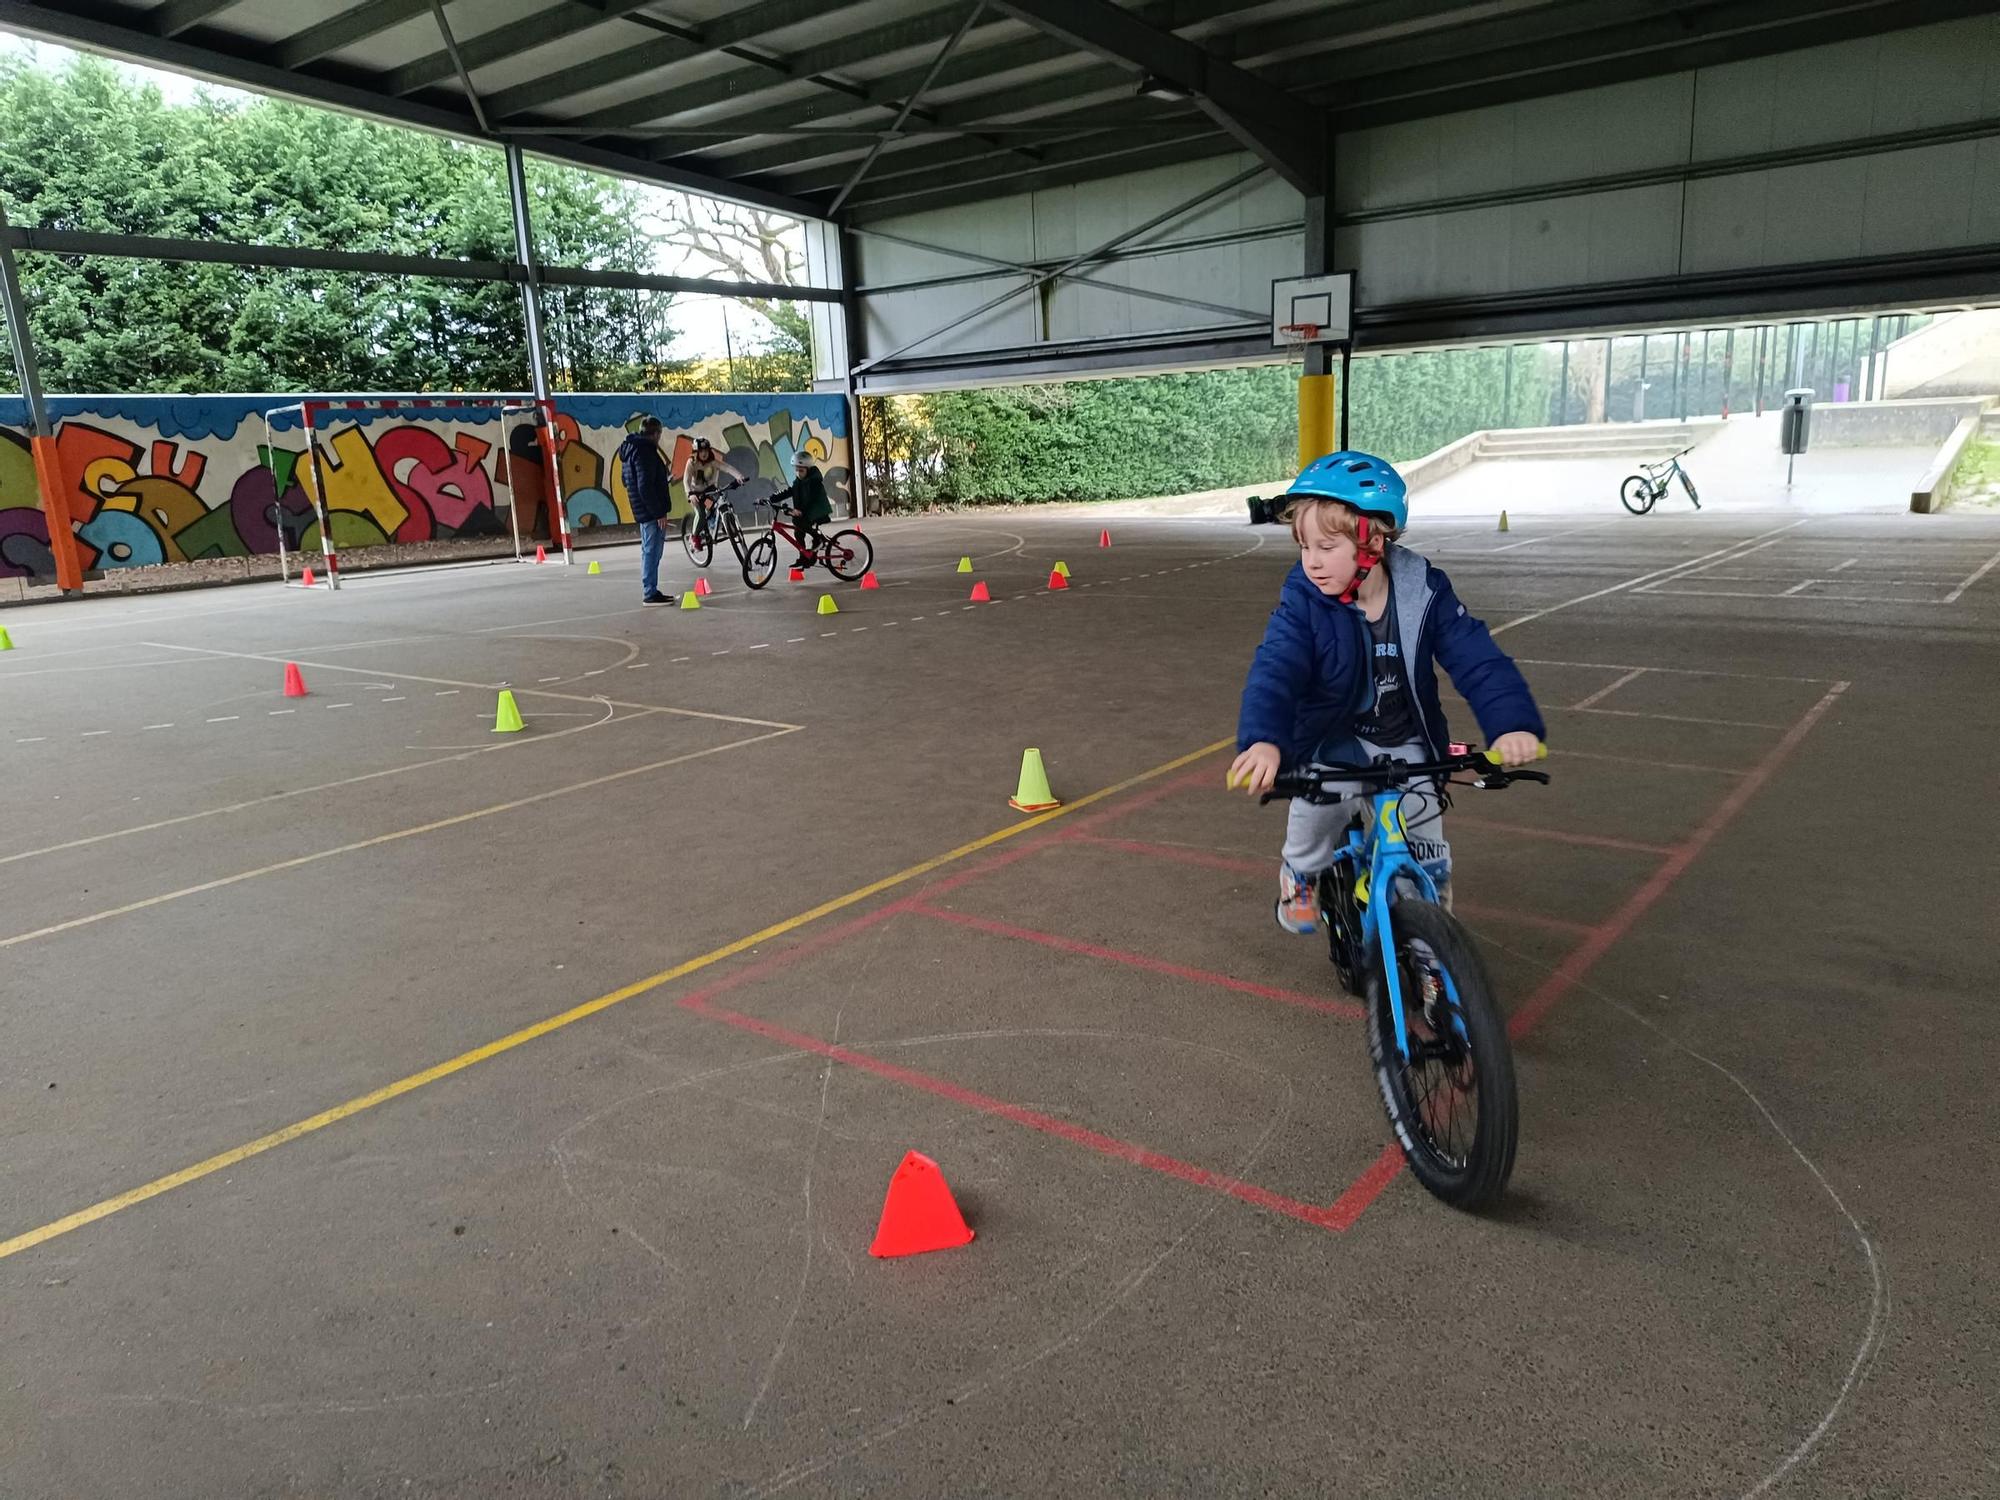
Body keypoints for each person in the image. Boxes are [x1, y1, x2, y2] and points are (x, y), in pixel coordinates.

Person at [1228, 450, 1545, 929]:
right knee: (1314, 815)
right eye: (1304, 547)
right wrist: (1265, 739)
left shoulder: (1424, 592)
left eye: (1326, 547)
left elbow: (1477, 659)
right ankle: (1301, 875)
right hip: (1333, 739)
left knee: (1426, 855)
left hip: (1404, 740)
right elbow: (1277, 669)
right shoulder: (1304, 602)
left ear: (1373, 541)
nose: (1311, 562)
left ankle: (1433, 956)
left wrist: (1512, 725)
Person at [616, 417, 676, 606]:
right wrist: (659, 512)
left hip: (641, 508)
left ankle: (651, 589)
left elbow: (628, 480)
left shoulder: (631, 450)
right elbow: (644, 486)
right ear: (656, 433)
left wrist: (661, 479)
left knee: (649, 550)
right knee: (652, 550)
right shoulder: (645, 451)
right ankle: (650, 592)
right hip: (650, 511)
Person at [769, 452, 832, 569]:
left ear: (808, 469)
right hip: (807, 511)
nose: (798, 473)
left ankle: (819, 539)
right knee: (798, 532)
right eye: (796, 470)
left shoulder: (813, 482)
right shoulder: (799, 481)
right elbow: (790, 491)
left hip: (817, 511)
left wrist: (799, 511)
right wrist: (771, 498)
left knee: (798, 522)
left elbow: (810, 500)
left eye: (801, 471)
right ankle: (805, 557)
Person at [681, 436, 745, 537]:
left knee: (722, 500)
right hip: (695, 492)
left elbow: (726, 467)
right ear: (696, 452)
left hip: (710, 488)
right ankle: (694, 538)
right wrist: (690, 494)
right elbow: (686, 480)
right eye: (701, 451)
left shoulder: (712, 461)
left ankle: (727, 524)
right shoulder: (692, 462)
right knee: (701, 514)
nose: (704, 453)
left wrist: (739, 476)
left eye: (706, 450)